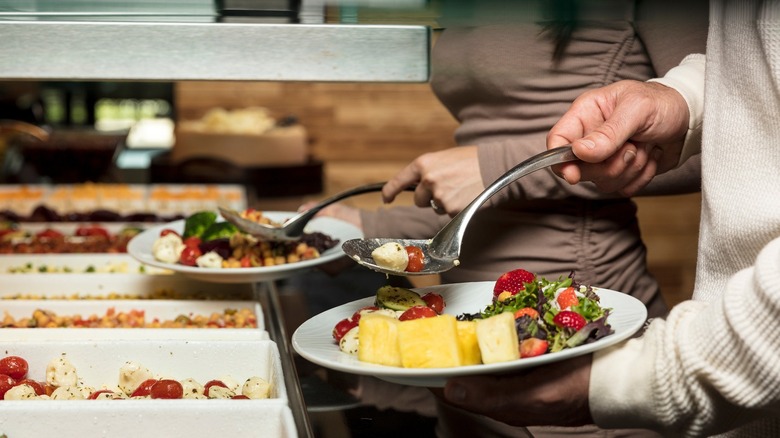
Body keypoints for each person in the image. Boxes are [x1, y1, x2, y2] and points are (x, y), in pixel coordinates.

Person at [289, 1, 708, 436]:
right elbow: (498, 204)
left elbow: (726, 139)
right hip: (467, 329)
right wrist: (371, 228)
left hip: (566, 339)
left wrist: (492, 166)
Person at [440, 1, 780, 436]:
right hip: (728, 373)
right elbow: (755, 64)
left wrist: (637, 378)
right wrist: (682, 97)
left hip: (618, 334)